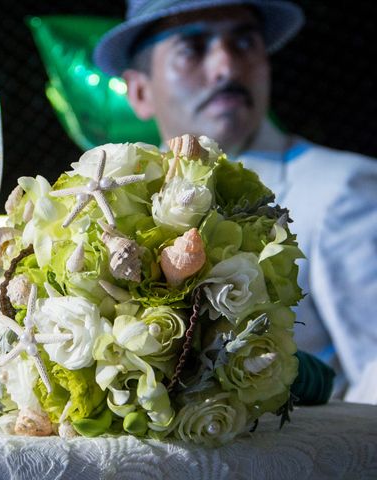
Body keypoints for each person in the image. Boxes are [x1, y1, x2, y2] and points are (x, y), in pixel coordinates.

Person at [93, 0, 377, 401]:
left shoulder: (342, 190)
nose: (226, 67)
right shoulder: (109, 207)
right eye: (192, 49)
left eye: (244, 42)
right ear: (140, 91)